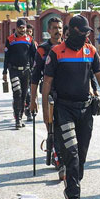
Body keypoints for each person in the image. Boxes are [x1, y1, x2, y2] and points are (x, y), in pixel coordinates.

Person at [40, 15, 100, 199]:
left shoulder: (90, 51)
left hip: (85, 109)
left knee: (81, 155)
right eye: (81, 32)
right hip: (64, 110)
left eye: (87, 33)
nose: (84, 36)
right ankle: (73, 197)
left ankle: (73, 185)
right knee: (71, 153)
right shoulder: (56, 52)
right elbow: (47, 83)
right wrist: (45, 112)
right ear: (71, 31)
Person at [30, 17, 65, 178]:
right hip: (49, 94)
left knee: (63, 128)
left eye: (60, 27)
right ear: (49, 31)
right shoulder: (42, 49)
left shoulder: (69, 47)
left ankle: (59, 155)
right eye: (54, 28)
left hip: (67, 94)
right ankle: (57, 157)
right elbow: (35, 76)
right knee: (52, 128)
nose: (58, 31)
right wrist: (33, 100)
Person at [2, 18, 35, 129]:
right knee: (17, 93)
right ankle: (18, 120)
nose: (22, 30)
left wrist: (35, 69)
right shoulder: (10, 39)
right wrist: (4, 71)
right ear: (16, 28)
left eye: (24, 28)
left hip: (26, 71)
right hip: (14, 70)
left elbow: (34, 56)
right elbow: (6, 57)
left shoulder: (30, 39)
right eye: (20, 28)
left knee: (24, 95)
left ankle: (20, 116)